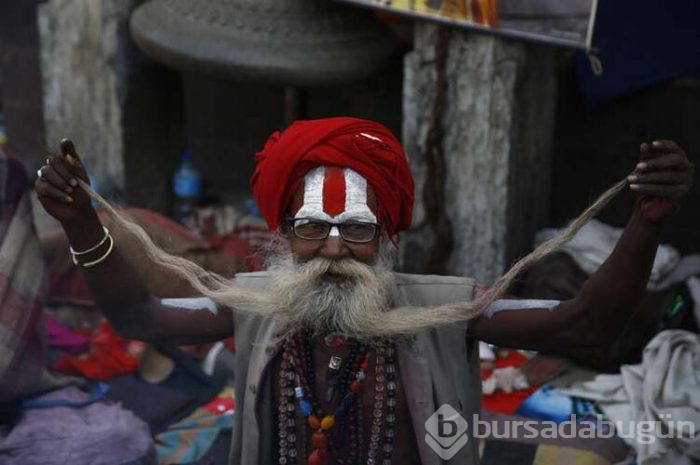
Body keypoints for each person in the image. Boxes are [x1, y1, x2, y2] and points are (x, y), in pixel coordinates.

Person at [35, 117, 693, 465]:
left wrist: (645, 220)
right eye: (310, 228)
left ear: (385, 236)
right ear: (282, 233)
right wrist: (80, 222)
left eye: (354, 229)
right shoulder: (260, 305)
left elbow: (587, 323)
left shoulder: (444, 309)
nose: (330, 248)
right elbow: (136, 314)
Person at [0, 145, 155, 465]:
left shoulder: (4, 173)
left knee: (118, 440)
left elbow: (138, 316)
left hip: (11, 390)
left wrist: (81, 222)